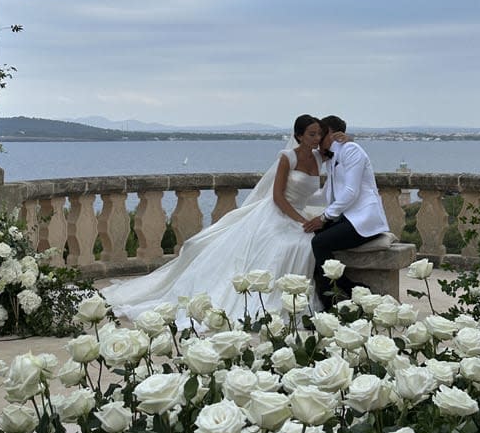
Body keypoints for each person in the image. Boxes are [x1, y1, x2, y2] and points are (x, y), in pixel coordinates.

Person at [102, 114, 325, 325]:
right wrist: (299, 220)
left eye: (318, 134)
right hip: (278, 213)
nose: (316, 139)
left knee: (304, 245)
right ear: (299, 136)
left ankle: (294, 298)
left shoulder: (318, 157)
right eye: (312, 134)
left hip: (299, 213)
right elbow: (277, 196)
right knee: (287, 245)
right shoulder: (287, 157)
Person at [303, 114, 390, 309]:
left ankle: (340, 297)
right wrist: (297, 199)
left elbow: (351, 191)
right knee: (311, 240)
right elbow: (327, 194)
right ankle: (340, 294)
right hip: (347, 218)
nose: (318, 139)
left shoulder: (351, 150)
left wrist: (324, 217)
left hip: (364, 220)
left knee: (319, 242)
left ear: (332, 134)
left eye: (321, 133)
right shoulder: (331, 158)